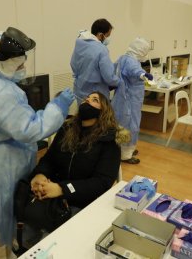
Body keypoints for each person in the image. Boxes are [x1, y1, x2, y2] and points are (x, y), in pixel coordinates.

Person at [0, 27, 74, 258]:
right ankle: (2, 253)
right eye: (19, 65)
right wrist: (59, 106)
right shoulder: (1, 92)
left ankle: (9, 247)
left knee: (4, 214)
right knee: (1, 216)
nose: (23, 68)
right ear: (2, 61)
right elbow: (31, 129)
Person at [26, 92, 129, 245]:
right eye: (87, 98)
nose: (87, 101)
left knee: (53, 242)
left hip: (85, 202)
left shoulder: (109, 141)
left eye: (95, 100)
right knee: (28, 220)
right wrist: (40, 175)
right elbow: (49, 159)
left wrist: (62, 189)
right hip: (55, 195)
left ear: (104, 111)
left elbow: (102, 183)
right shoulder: (67, 130)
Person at [111, 37, 153, 164]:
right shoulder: (131, 61)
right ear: (140, 50)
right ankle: (126, 155)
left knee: (123, 124)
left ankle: (125, 150)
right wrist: (143, 75)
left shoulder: (124, 58)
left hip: (124, 97)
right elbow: (134, 71)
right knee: (131, 126)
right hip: (130, 99)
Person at [70, 18, 120, 103]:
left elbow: (73, 64)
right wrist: (119, 82)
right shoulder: (101, 49)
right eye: (107, 36)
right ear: (100, 35)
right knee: (97, 116)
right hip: (96, 96)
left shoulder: (80, 45)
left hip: (80, 91)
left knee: (84, 115)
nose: (107, 39)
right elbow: (109, 77)